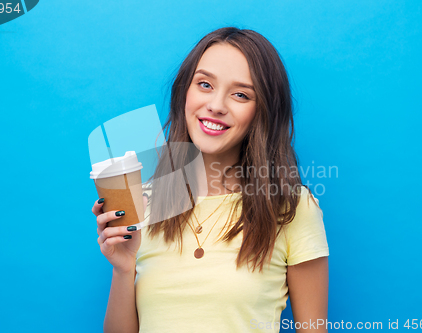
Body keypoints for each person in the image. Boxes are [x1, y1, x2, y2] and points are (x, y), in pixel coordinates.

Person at [92, 27, 329, 333]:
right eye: (204, 84)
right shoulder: (141, 203)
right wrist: (123, 270)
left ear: (262, 112)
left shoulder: (291, 208)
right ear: (184, 93)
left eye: (241, 94)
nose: (216, 105)